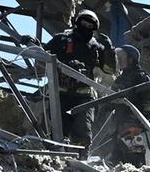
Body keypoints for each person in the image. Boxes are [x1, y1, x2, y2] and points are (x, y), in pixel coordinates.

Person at [46, 8, 113, 146]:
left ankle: (81, 157)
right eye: (84, 24)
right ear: (77, 22)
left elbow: (109, 70)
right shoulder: (61, 39)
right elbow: (42, 55)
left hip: (85, 97)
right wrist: (33, 43)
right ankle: (56, 155)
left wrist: (109, 50)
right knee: (58, 131)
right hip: (61, 94)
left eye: (90, 26)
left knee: (83, 131)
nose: (86, 27)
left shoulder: (96, 47)